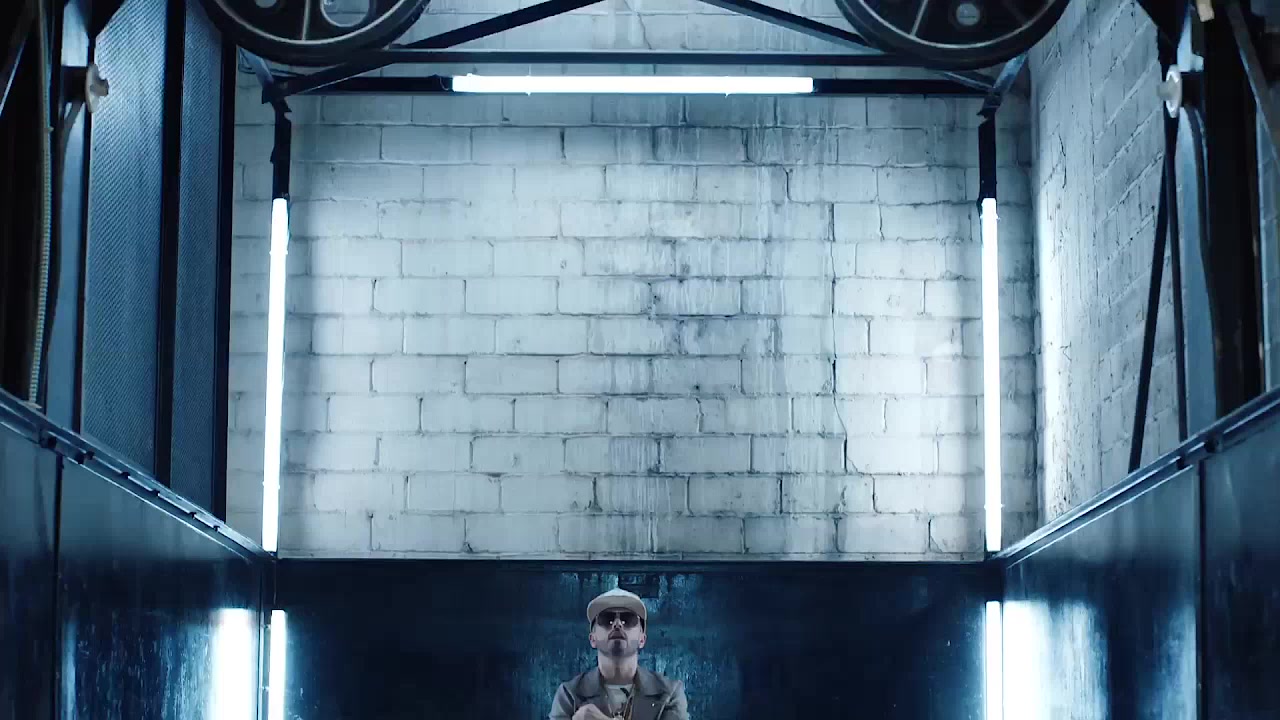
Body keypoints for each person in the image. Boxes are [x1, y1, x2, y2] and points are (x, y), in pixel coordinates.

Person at [549, 588, 688, 720]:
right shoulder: (569, 694)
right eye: (606, 619)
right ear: (592, 639)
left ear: (642, 639)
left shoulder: (669, 693)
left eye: (628, 619)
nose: (617, 624)